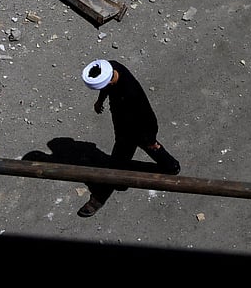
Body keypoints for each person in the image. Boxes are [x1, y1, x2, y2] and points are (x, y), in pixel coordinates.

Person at [77, 59, 180, 218]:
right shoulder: (110, 68)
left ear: (110, 80)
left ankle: (99, 197)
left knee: (117, 163)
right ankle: (171, 167)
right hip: (122, 123)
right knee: (149, 148)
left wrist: (151, 138)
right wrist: (100, 100)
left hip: (136, 129)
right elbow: (105, 85)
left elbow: (148, 118)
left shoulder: (131, 94)